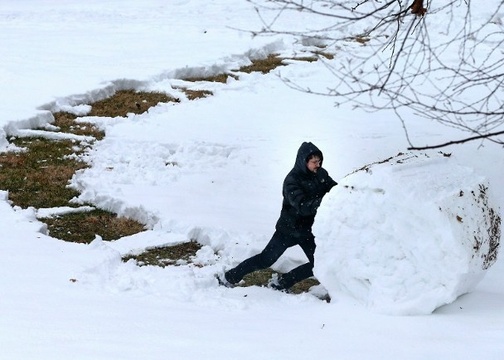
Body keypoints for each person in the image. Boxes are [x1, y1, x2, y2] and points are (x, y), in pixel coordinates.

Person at [220, 141, 337, 291]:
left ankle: (283, 283)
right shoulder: (292, 181)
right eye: (314, 162)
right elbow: (302, 206)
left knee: (319, 263)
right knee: (266, 259)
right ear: (304, 161)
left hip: (307, 231)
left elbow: (335, 190)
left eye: (319, 161)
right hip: (288, 230)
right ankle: (230, 277)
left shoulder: (321, 174)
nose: (318, 165)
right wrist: (324, 201)